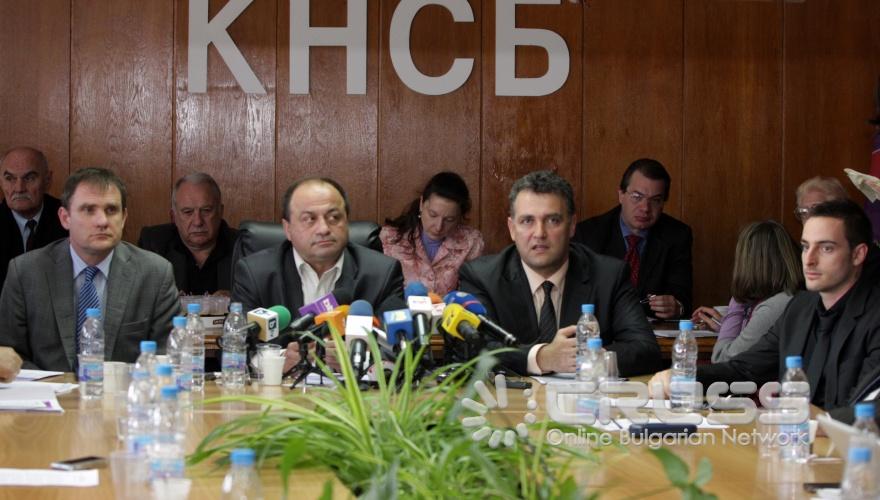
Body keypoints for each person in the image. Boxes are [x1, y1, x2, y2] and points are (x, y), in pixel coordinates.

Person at [650, 200, 880, 413]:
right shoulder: (800, 307)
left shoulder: (875, 315)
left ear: (858, 254)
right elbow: (745, 368)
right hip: (794, 436)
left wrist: (823, 423)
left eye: (826, 248)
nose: (809, 260)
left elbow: (874, 408)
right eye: (805, 247)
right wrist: (684, 378)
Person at [459, 170, 661, 376]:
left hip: (585, 395)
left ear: (572, 225)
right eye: (527, 221)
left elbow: (646, 349)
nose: (540, 233)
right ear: (512, 228)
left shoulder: (608, 276)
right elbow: (472, 351)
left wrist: (589, 359)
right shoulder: (482, 277)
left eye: (553, 220)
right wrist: (542, 357)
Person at [0, 168, 179, 371]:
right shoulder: (26, 272)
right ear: (65, 218)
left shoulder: (155, 273)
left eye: (111, 210)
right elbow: (9, 356)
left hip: (125, 390)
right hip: (48, 390)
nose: (102, 221)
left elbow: (167, 357)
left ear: (124, 217)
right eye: (88, 210)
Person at [232, 177, 406, 372]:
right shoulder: (256, 273)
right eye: (309, 219)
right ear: (288, 229)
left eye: (334, 217)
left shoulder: (382, 274)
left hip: (354, 390)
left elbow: (400, 350)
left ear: (346, 221)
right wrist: (280, 362)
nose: (323, 229)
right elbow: (236, 348)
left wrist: (358, 360)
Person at [573, 158, 693, 319]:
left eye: (655, 200)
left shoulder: (677, 235)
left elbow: (683, 296)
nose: (645, 208)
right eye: (637, 197)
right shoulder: (588, 234)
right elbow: (576, 295)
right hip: (601, 327)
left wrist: (677, 306)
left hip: (654, 329)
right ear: (621, 195)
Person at [690, 220, 803, 363]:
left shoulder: (775, 305)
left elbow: (721, 358)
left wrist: (737, 303)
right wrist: (724, 327)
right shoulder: (784, 297)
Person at [380, 172, 485, 295]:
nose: (438, 226)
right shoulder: (391, 237)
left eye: (449, 219)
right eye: (433, 215)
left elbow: (471, 294)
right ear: (421, 204)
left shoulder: (471, 242)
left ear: (459, 217)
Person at [138, 173, 238, 295]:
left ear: (220, 212)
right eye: (188, 212)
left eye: (206, 211)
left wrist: (238, 298)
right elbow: (140, 297)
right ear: (173, 217)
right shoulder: (153, 244)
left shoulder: (243, 246)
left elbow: (257, 299)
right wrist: (164, 301)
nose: (198, 222)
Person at [0, 147, 68, 287]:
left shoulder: (70, 219)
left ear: (47, 180)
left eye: (29, 178)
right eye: (10, 179)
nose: (19, 188)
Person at [794, 175, 879, 283]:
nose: (809, 218)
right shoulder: (801, 255)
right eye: (803, 212)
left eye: (817, 209)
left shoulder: (872, 262)